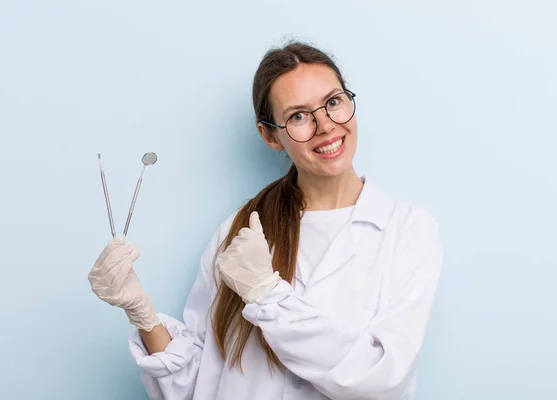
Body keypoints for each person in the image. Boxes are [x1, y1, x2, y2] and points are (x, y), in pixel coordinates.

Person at [88, 41, 443, 400]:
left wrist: (267, 295)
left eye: (333, 102)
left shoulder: (408, 230)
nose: (325, 126)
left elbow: (381, 379)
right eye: (298, 116)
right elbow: (198, 384)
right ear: (270, 135)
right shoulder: (239, 231)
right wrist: (143, 314)